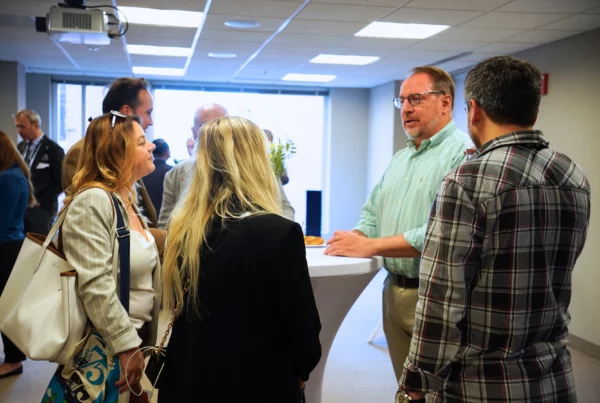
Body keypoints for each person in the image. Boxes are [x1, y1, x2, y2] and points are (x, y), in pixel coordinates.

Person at [399, 56, 591, 402]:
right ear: (533, 113)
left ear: (473, 111)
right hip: (554, 377)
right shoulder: (572, 175)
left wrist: (417, 381)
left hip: (482, 384)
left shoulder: (467, 181)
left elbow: (442, 298)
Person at [158, 116, 321, 402]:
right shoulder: (279, 232)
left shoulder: (184, 228)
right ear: (258, 161)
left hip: (188, 379)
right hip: (257, 382)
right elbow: (303, 331)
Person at [325, 66, 470, 381]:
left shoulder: (463, 155)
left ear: (445, 103)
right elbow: (372, 215)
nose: (405, 109)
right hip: (393, 292)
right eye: (401, 101)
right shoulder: (400, 159)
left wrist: (371, 245)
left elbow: (439, 232)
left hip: (436, 297)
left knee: (436, 391)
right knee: (405, 388)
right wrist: (354, 237)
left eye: (415, 99)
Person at [43, 112, 162, 402]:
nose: (152, 147)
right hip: (104, 349)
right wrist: (127, 347)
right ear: (117, 152)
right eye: (142, 142)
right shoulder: (94, 200)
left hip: (125, 342)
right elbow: (95, 283)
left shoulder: (125, 199)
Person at [158, 103, 295, 229]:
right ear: (194, 132)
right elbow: (166, 223)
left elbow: (284, 207)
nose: (216, 132)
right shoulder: (179, 172)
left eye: (223, 125)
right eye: (206, 126)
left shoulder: (257, 169)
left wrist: (279, 234)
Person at [61, 77, 158, 228]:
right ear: (126, 112)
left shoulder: (127, 151)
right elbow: (92, 221)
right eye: (148, 113)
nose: (151, 121)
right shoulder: (82, 152)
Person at [0, 130, 35, 378]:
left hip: (6, 247)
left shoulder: (8, 177)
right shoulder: (13, 173)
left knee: (6, 306)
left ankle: (13, 359)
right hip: (9, 245)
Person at [15, 109, 64, 235]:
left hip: (42, 209)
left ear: (35, 125)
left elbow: (61, 182)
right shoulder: (20, 147)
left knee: (38, 248)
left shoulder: (53, 150)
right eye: (17, 126)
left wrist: (41, 201)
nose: (19, 131)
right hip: (21, 208)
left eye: (22, 126)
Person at [143, 139, 173, 214]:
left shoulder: (144, 170)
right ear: (166, 152)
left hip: (146, 215)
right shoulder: (172, 171)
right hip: (166, 215)